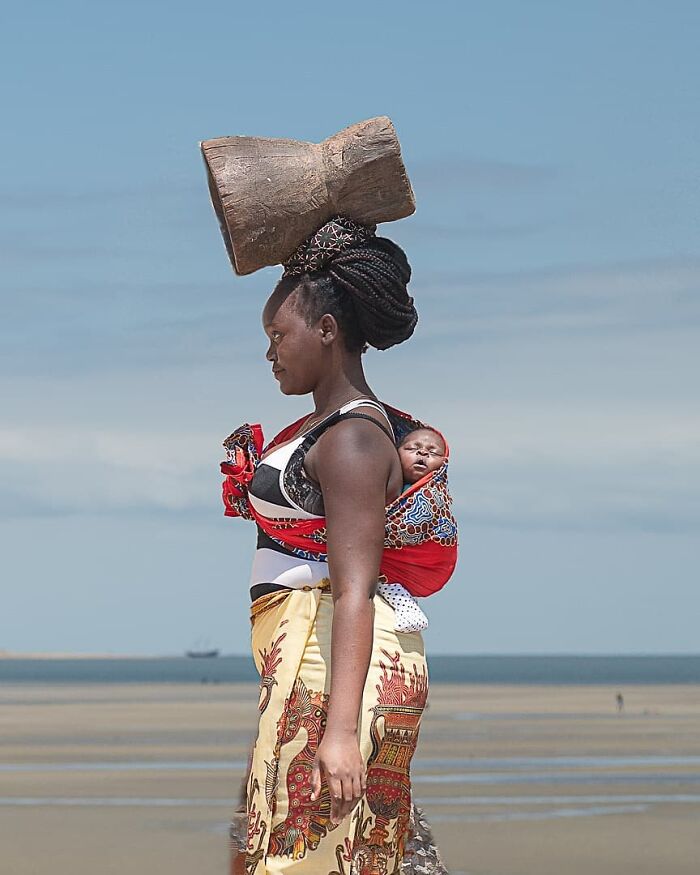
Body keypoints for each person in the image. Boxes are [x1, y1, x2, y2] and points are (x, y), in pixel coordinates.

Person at [223, 217, 455, 875]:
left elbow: (356, 586)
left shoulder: (352, 440)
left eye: (279, 335)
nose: (272, 352)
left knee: (314, 859)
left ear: (327, 331)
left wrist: (341, 734)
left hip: (333, 661)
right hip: (312, 659)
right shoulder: (330, 428)